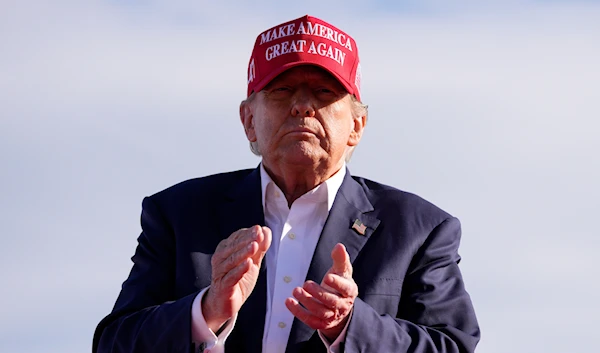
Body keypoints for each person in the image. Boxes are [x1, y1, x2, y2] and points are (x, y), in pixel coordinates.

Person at [93, 14, 480, 353]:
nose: (302, 105)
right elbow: (114, 343)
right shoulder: (177, 215)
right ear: (248, 121)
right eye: (281, 90)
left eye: (325, 92)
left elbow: (452, 345)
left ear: (357, 126)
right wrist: (207, 310)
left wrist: (349, 325)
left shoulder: (420, 229)